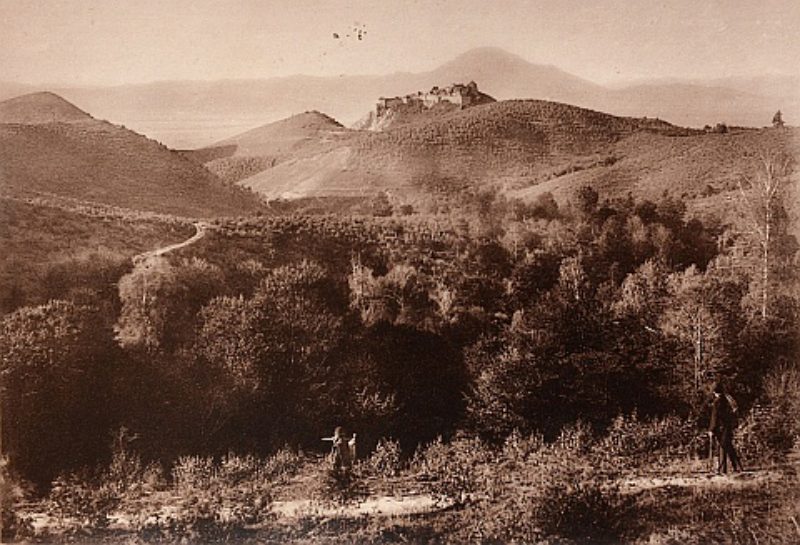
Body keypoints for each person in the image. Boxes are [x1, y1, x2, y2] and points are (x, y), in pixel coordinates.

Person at [708, 382, 743, 474]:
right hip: (728, 426)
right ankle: (737, 467)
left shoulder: (717, 402)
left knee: (722, 447)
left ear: (714, 392)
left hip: (721, 428)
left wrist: (711, 429)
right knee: (728, 446)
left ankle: (721, 469)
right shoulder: (727, 399)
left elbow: (714, 417)